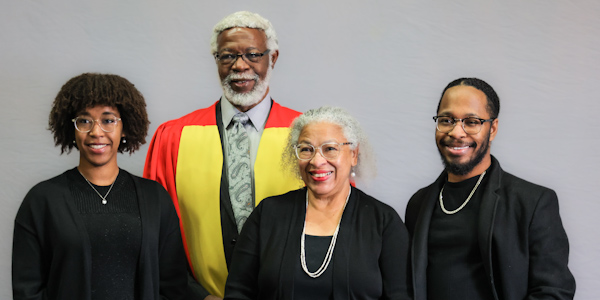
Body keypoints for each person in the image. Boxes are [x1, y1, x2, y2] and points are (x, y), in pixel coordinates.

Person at [143, 11, 303, 299]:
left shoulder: (309, 136)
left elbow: (339, 223)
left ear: (273, 58)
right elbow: (154, 234)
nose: (240, 66)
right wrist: (196, 296)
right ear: (216, 61)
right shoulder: (174, 137)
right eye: (227, 56)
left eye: (253, 54)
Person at [12, 73, 188, 299]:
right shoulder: (42, 201)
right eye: (84, 121)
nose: (96, 132)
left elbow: (173, 287)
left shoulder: (155, 198)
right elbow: (27, 291)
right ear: (72, 128)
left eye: (108, 120)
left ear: (124, 127)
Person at [405, 77, 576, 300]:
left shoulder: (533, 202)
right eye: (447, 120)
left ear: (492, 129)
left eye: (472, 121)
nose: (457, 132)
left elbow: (554, 292)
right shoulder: (418, 203)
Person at [224, 106, 412, 300]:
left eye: (330, 149)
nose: (317, 160)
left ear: (354, 155)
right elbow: (239, 291)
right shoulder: (267, 214)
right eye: (306, 149)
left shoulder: (383, 222)